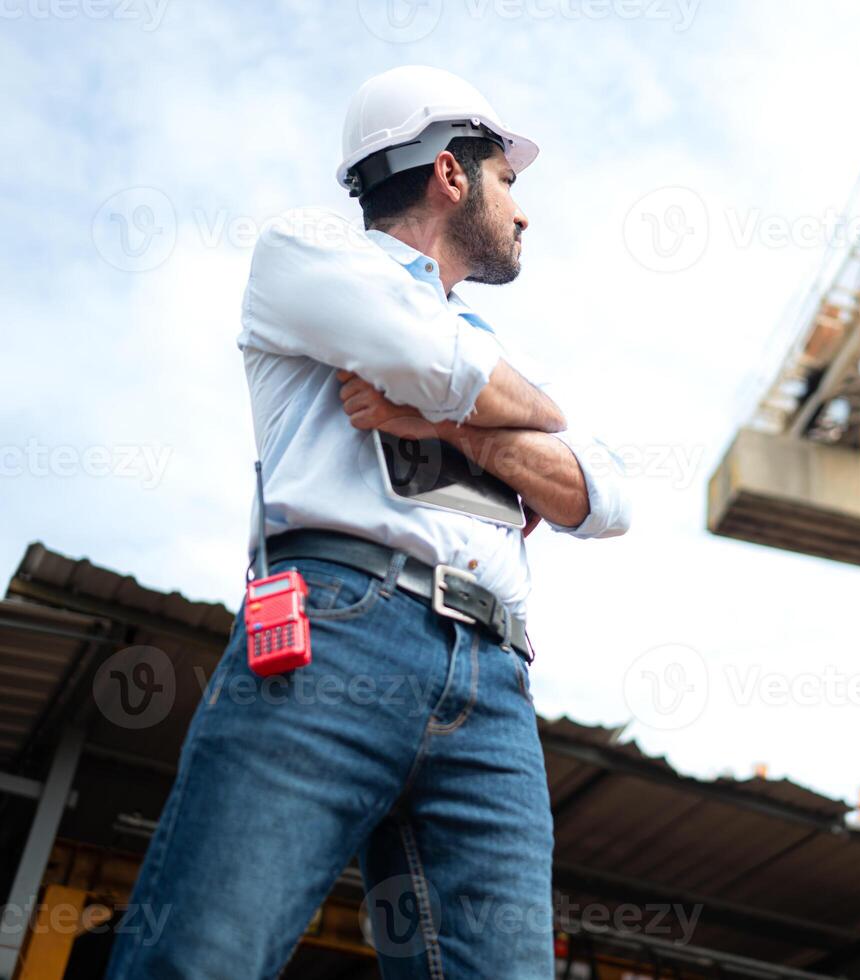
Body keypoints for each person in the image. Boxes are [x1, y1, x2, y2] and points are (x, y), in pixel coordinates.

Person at [106, 65, 630, 980]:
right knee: (202, 956)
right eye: (510, 180)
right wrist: (504, 424)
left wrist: (452, 425)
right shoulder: (305, 257)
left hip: (496, 686)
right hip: (340, 629)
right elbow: (429, 361)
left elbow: (606, 497)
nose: (526, 212)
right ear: (450, 173)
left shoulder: (499, 352)